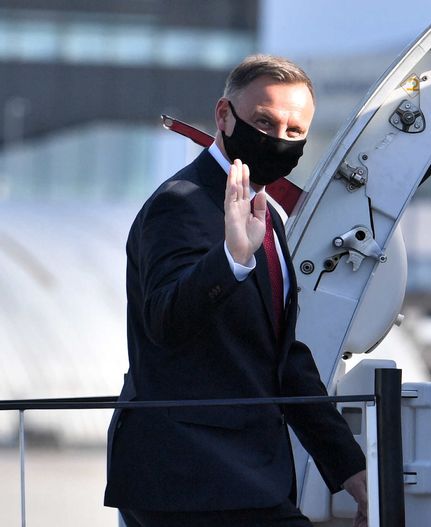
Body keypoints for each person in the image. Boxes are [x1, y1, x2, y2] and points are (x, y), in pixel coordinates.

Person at [103, 55, 368, 527]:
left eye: (294, 131)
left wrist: (350, 469)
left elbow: (282, 358)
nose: (278, 139)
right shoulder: (180, 203)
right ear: (224, 115)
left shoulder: (266, 219)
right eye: (264, 122)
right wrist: (230, 261)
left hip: (245, 476)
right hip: (187, 474)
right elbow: (164, 320)